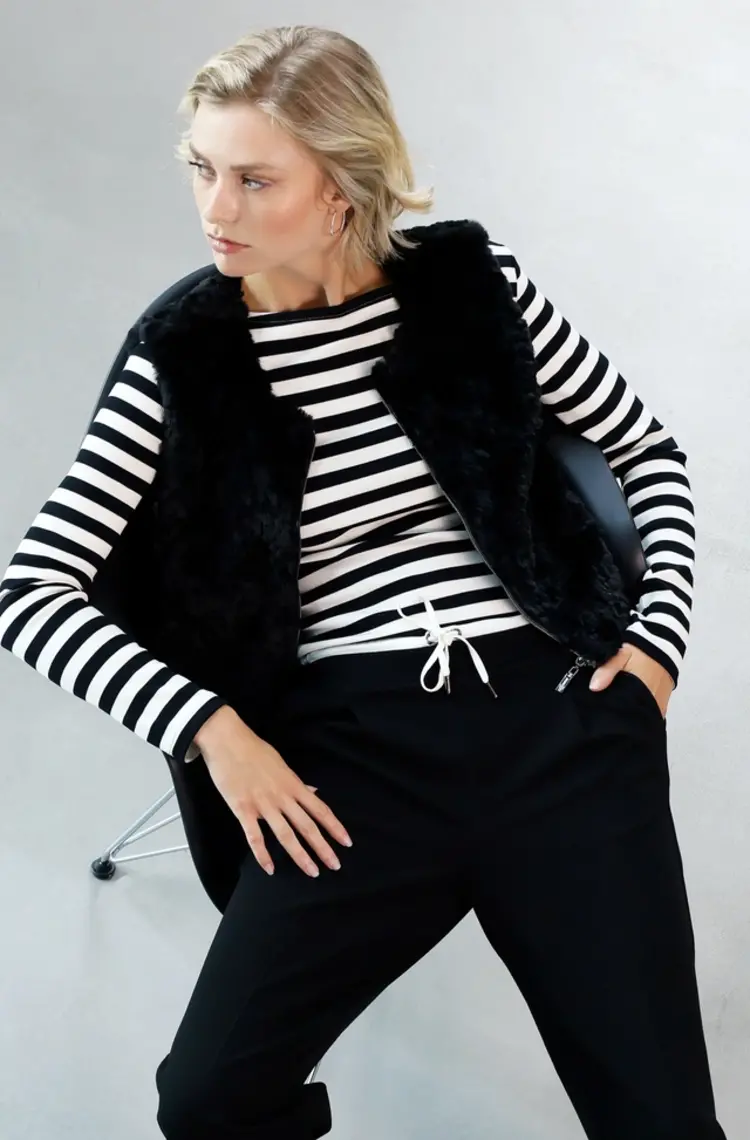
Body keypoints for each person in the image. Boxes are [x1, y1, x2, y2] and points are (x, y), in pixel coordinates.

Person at [0, 22, 726, 1140]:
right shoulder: (183, 354)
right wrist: (214, 732)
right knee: (209, 1103)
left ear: (343, 186)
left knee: (661, 1121)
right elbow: (30, 593)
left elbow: (645, 451)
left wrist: (656, 648)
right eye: (201, 168)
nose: (214, 209)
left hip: (557, 723)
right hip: (349, 759)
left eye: (255, 179)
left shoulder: (475, 290)